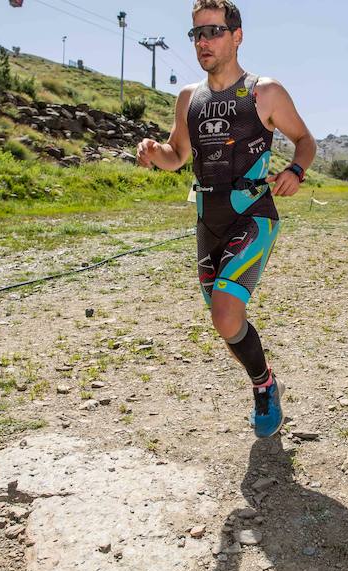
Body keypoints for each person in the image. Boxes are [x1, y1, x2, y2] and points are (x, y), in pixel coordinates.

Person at [136, 0, 316, 438]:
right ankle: (267, 380)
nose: (204, 41)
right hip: (208, 220)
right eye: (197, 33)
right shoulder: (188, 98)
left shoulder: (264, 92)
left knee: (224, 314)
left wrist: (295, 170)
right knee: (227, 323)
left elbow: (305, 139)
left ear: (237, 36)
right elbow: (178, 155)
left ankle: (263, 388)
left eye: (213, 31)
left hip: (253, 214)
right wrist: (154, 153)